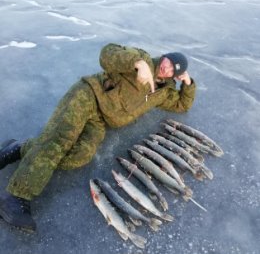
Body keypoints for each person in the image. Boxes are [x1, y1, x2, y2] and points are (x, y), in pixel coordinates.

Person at [0, 43, 196, 232]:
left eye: (172, 70)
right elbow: (107, 53)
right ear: (163, 57)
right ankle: (16, 197)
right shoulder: (142, 59)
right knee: (58, 141)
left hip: (101, 119)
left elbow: (182, 105)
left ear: (175, 76)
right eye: (167, 61)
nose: (166, 68)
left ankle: (20, 149)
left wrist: (188, 83)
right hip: (88, 95)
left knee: (81, 155)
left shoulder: (164, 93)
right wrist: (137, 63)